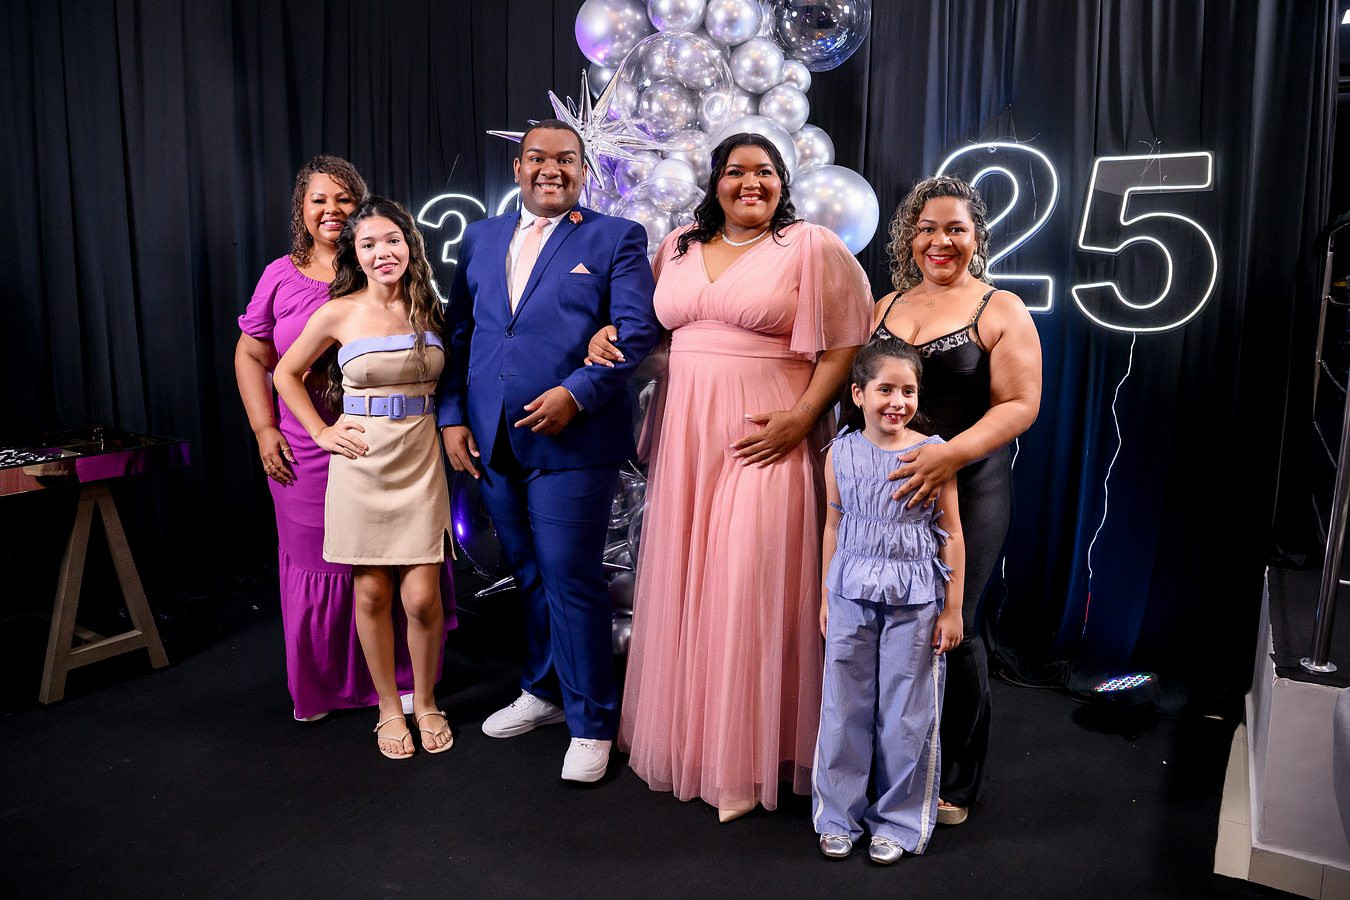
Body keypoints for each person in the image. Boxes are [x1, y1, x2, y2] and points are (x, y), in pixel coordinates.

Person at [595, 134, 874, 820]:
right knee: (696, 583)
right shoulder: (678, 245)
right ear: (714, 181)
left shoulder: (809, 245)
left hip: (768, 434)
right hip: (690, 439)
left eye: (766, 172)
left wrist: (803, 418)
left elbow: (847, 342)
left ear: (784, 182)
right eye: (736, 171)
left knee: (751, 584)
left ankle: (752, 762)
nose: (752, 183)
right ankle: (700, 744)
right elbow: (655, 337)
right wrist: (607, 336)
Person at [437, 120, 661, 782]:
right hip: (493, 437)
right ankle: (544, 691)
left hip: (574, 438)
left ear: (583, 171)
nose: (551, 169)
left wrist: (577, 393)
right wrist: (453, 416)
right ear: (518, 168)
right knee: (529, 573)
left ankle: (593, 722)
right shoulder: (481, 237)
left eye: (566, 159)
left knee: (569, 575)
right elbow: (460, 333)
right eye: (537, 158)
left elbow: (637, 329)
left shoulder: (616, 237)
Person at [871, 174, 1042, 824]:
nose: (940, 241)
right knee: (889, 621)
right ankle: (895, 759)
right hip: (890, 489)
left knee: (954, 626)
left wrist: (949, 454)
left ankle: (959, 778)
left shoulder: (1000, 307)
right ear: (909, 238)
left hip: (970, 485)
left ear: (977, 238)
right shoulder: (885, 305)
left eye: (955, 229)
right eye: (927, 229)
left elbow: (1020, 404)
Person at [235, 156, 425, 723]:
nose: (332, 210)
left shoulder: (380, 260)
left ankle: (399, 682)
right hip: (306, 444)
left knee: (388, 562)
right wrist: (265, 428)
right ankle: (324, 685)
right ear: (302, 208)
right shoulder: (281, 275)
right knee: (321, 563)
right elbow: (253, 355)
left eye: (344, 198)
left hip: (382, 443)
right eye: (319, 199)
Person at [273, 197, 454, 760]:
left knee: (421, 598)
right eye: (369, 244)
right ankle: (389, 708)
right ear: (355, 253)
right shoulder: (337, 312)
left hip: (419, 461)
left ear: (410, 244)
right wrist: (321, 432)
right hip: (362, 463)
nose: (383, 253)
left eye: (392, 240)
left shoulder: (431, 307)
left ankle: (426, 701)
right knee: (373, 593)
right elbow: (285, 372)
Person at [812, 338, 965, 864]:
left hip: (915, 597)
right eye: (885, 390)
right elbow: (833, 526)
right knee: (843, 707)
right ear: (858, 394)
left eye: (908, 391)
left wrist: (952, 608)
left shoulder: (934, 453)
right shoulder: (840, 453)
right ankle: (838, 816)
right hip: (850, 592)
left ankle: (898, 822)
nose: (898, 402)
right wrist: (826, 595)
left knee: (907, 711)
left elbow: (952, 535)